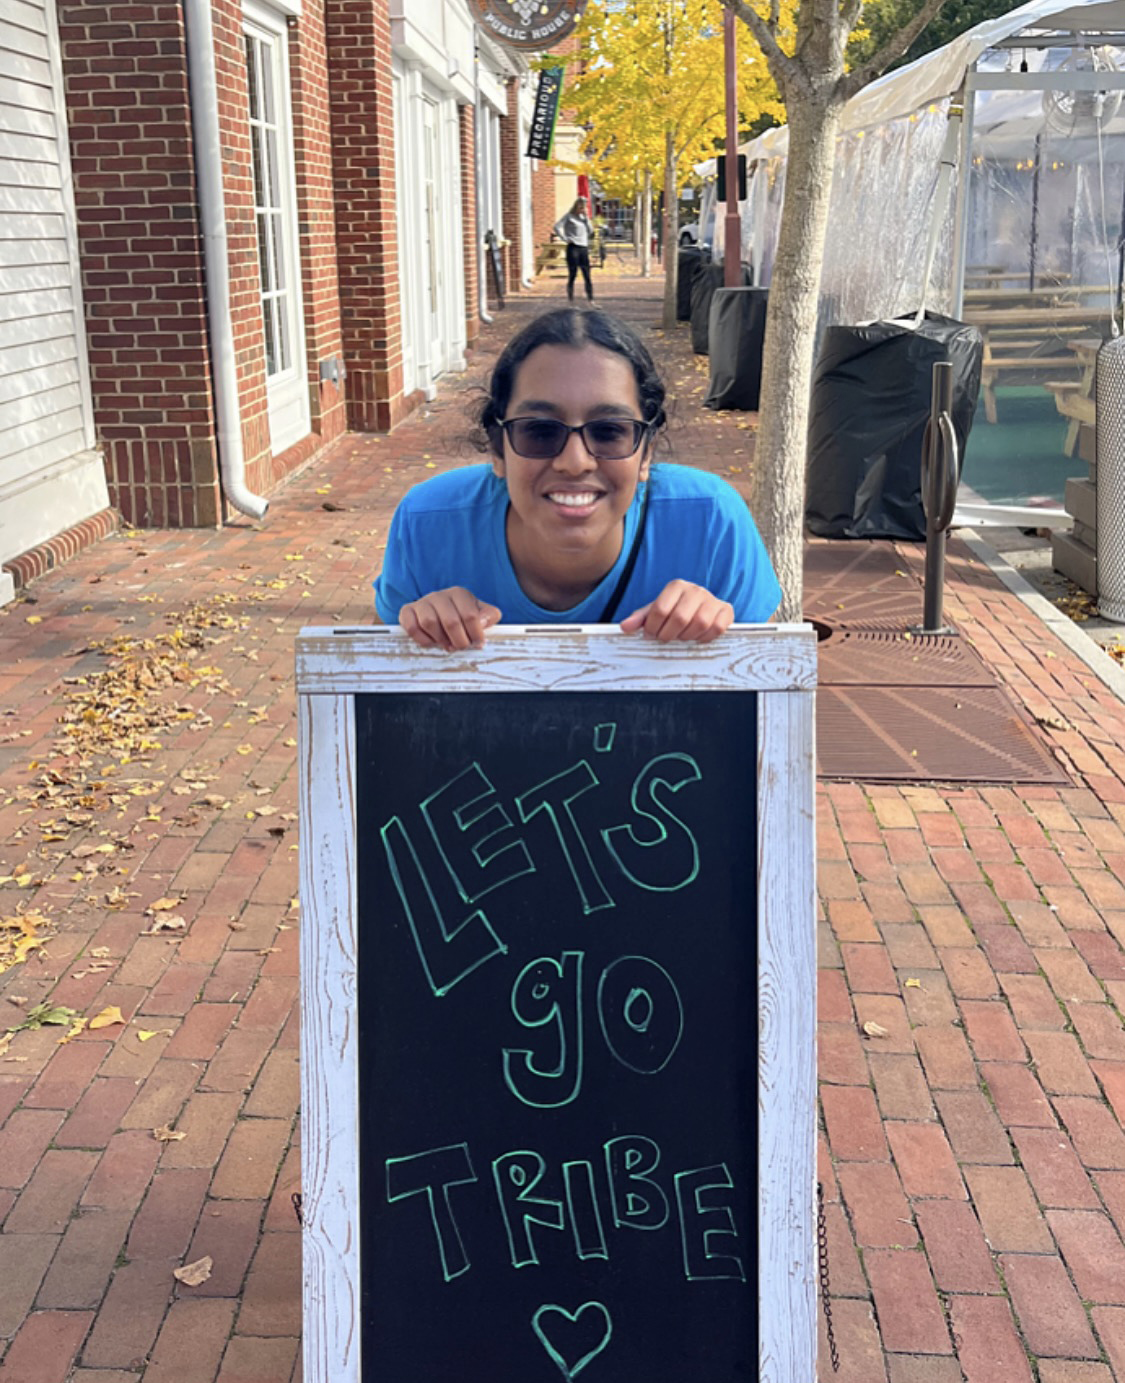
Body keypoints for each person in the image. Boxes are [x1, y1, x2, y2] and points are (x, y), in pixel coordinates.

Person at [374, 307, 781, 652]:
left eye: (609, 431)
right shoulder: (426, 527)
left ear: (647, 453)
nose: (574, 462)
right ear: (498, 450)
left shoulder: (711, 526)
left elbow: (770, 709)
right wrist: (414, 639)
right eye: (539, 430)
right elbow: (376, 705)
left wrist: (725, 638)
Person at [553, 196, 595, 302]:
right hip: (573, 247)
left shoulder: (584, 219)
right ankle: (570, 298)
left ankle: (590, 298)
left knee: (586, 273)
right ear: (576, 207)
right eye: (580, 207)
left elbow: (590, 232)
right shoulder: (569, 217)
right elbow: (557, 226)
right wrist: (565, 238)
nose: (582, 210)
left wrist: (587, 219)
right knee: (573, 273)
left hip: (583, 247)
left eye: (584, 208)